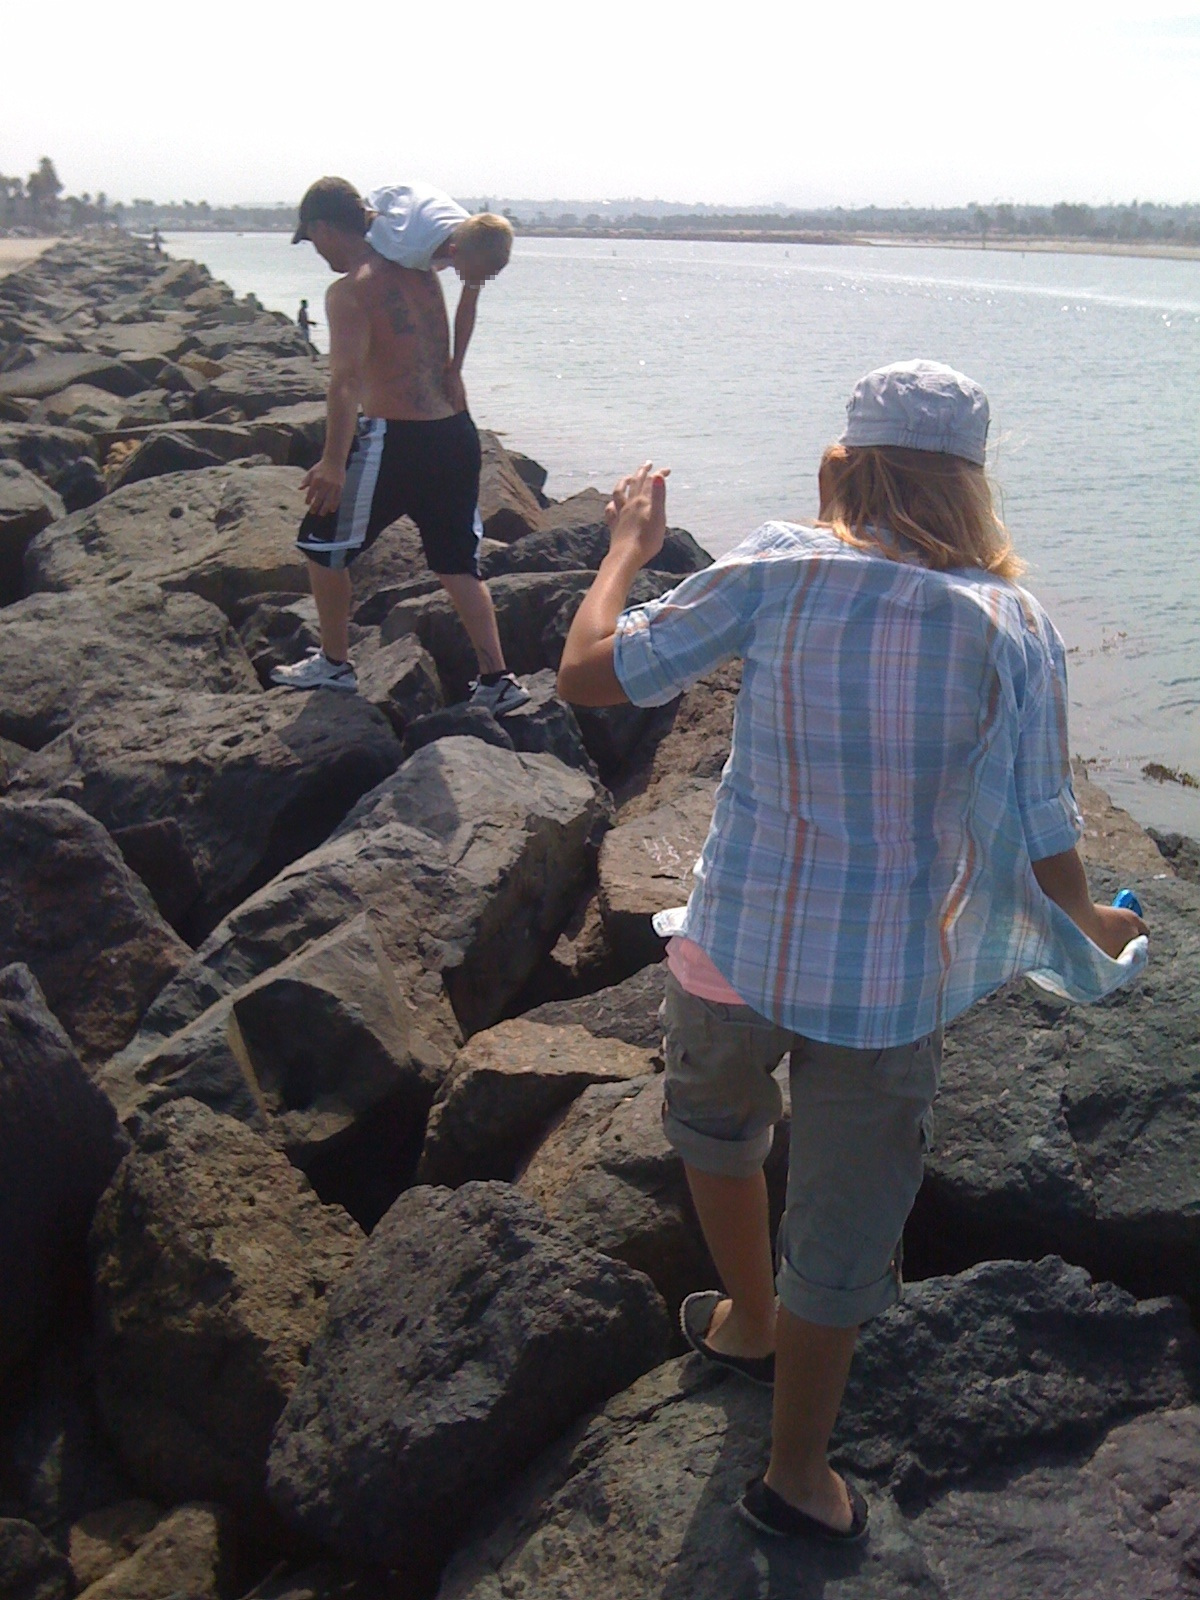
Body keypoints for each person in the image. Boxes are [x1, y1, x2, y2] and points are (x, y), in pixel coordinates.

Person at [557, 361, 1148, 1545]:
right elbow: (1046, 831)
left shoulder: (780, 566)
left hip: (732, 945)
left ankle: (749, 1322)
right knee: (842, 1229)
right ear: (975, 485)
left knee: (718, 1131)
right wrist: (1097, 933)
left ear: (842, 465)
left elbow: (589, 671)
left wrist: (626, 547)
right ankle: (797, 1478)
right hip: (885, 990)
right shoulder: (1013, 623)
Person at [271, 176, 527, 711]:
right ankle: (498, 679)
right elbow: (464, 306)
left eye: (312, 240)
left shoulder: (349, 291)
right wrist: (456, 369)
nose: (316, 252)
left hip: (397, 439)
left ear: (323, 228)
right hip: (456, 433)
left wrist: (333, 463)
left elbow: (344, 382)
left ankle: (335, 664)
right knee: (457, 564)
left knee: (322, 542)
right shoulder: (423, 269)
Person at [364, 181, 513, 400]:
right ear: (453, 252)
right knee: (404, 277)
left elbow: (467, 308)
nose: (480, 282)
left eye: (488, 276)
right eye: (477, 276)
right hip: (387, 204)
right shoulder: (407, 247)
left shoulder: (477, 246)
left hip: (428, 208)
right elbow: (366, 218)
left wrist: (455, 369)